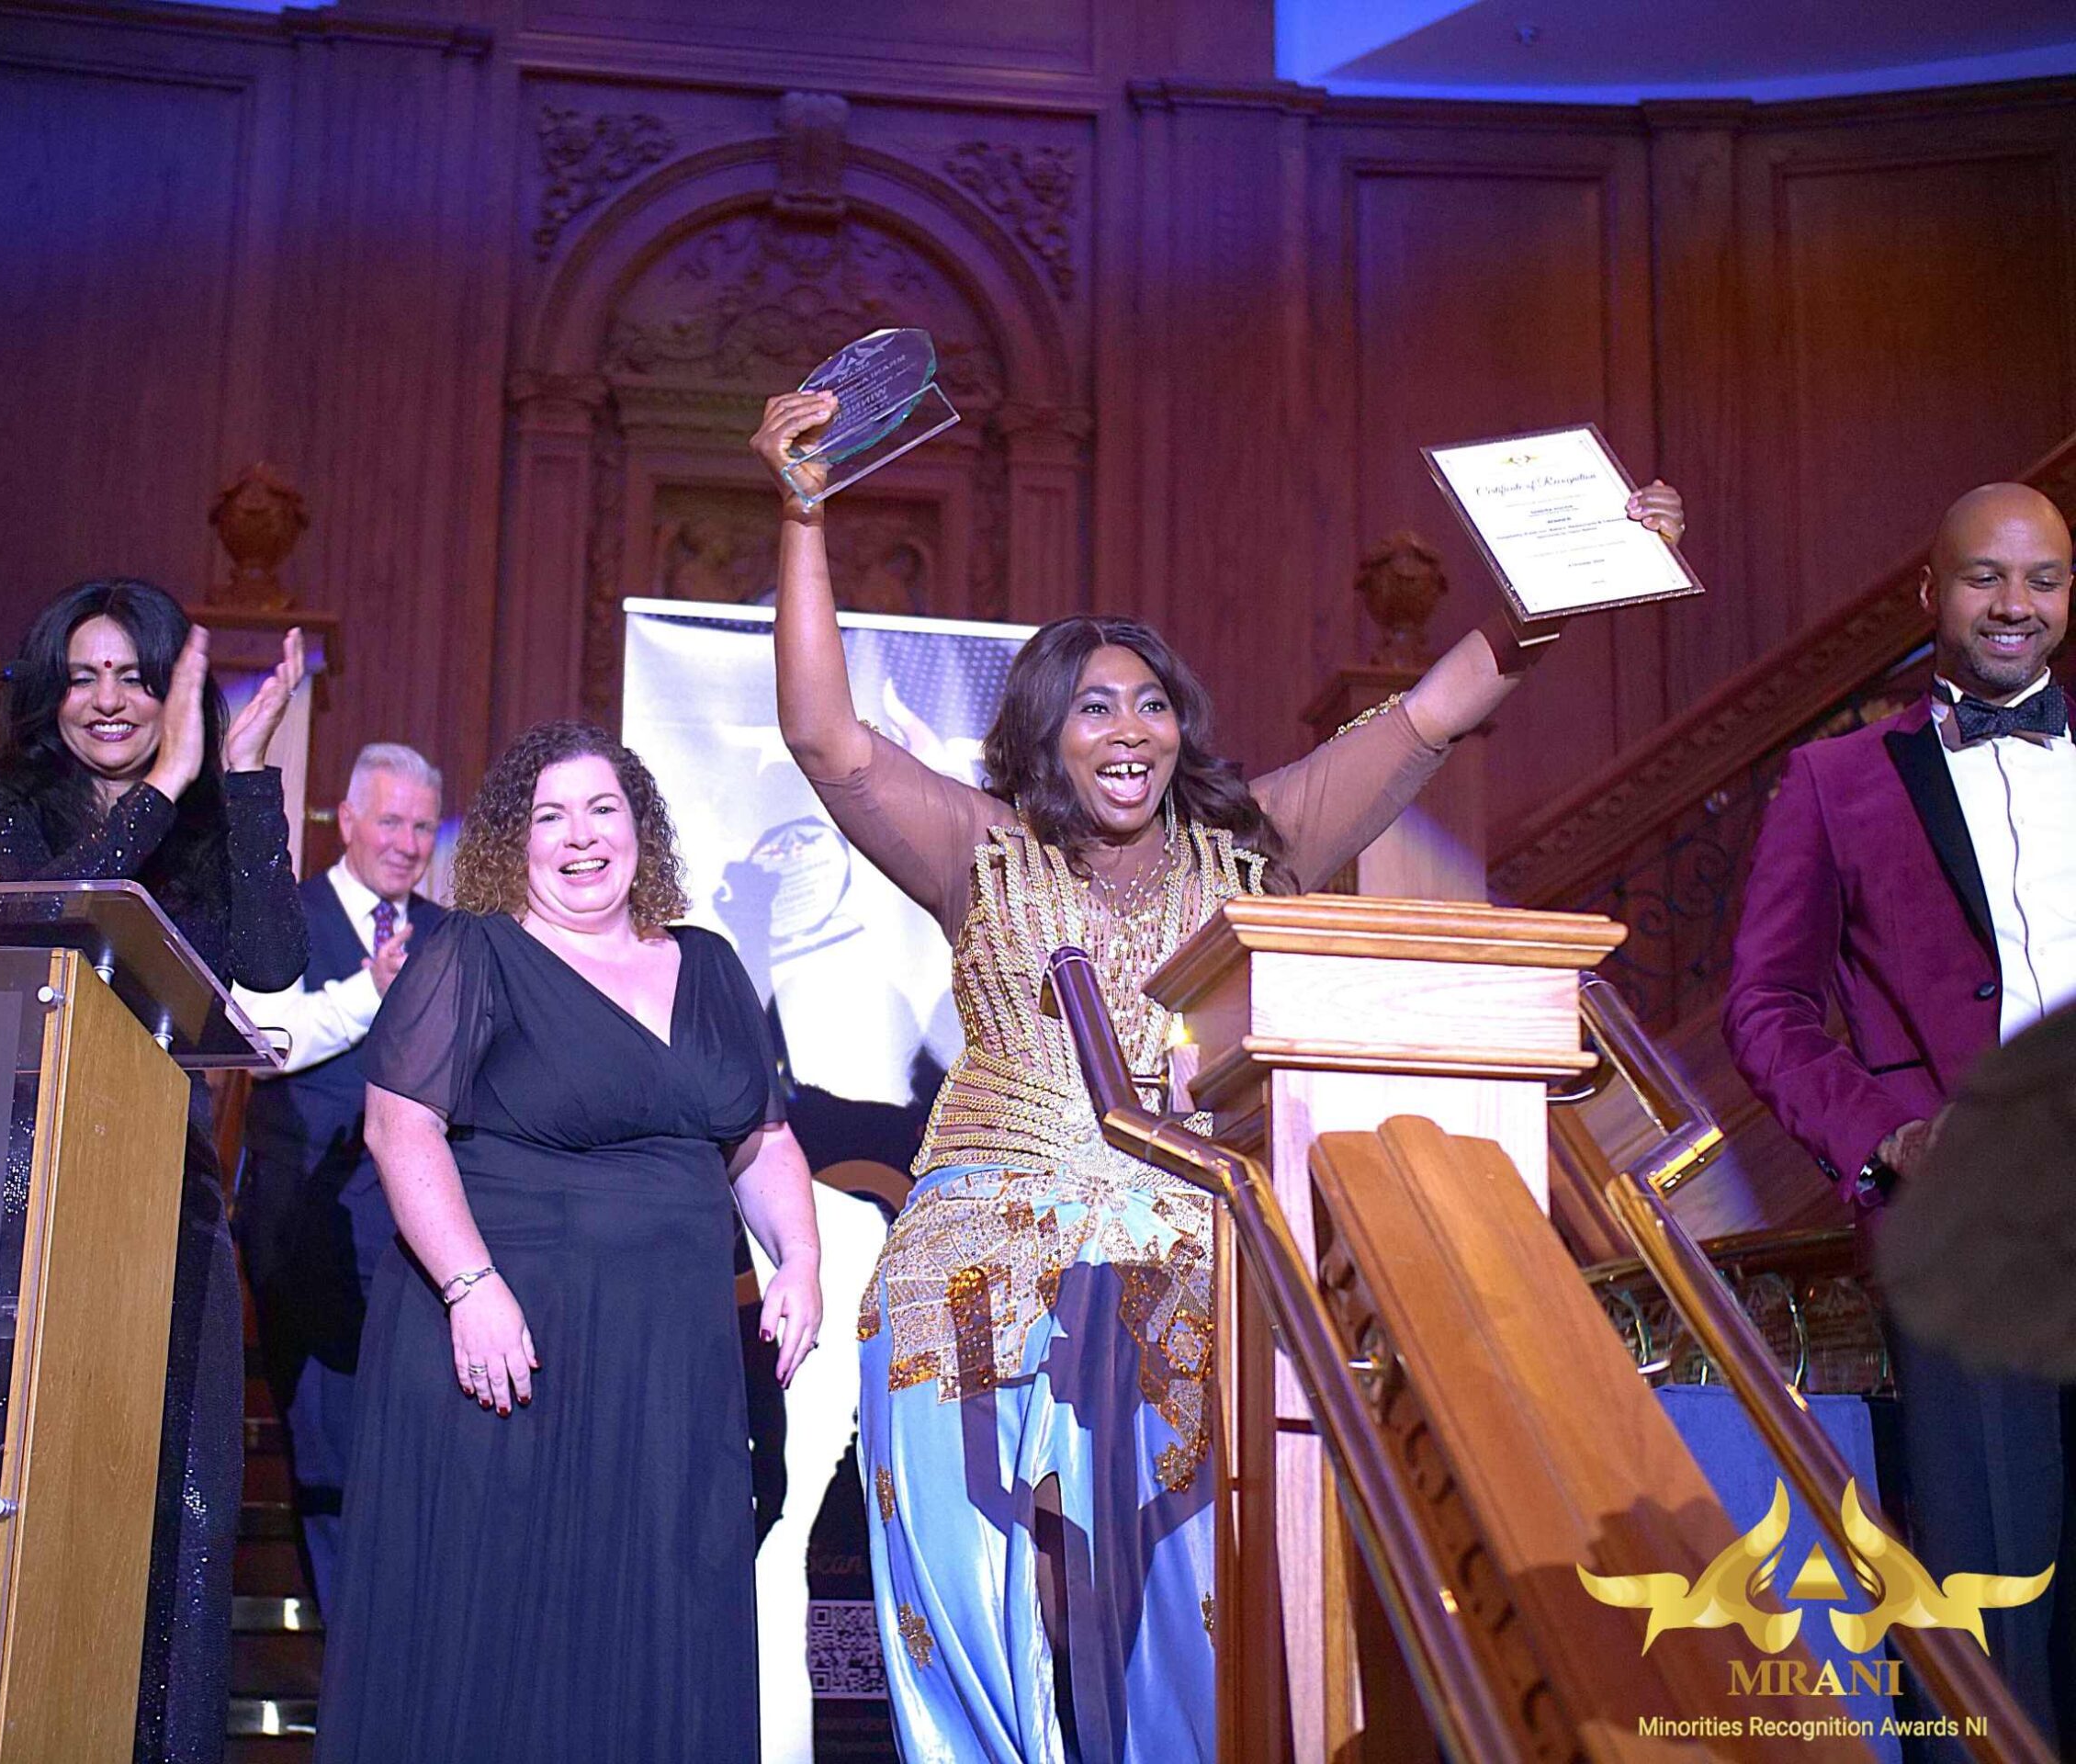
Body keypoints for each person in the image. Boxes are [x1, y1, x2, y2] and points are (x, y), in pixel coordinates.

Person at [749, 392, 1685, 1762]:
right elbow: (827, 737)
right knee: (994, 1588)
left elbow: (1435, 712)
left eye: (1151, 704)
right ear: (1044, 734)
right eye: (1092, 706)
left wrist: (1569, 580)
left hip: (1187, 1266)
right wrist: (803, 512)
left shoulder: (1257, 847)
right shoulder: (978, 848)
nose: (1127, 729)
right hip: (975, 1269)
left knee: (1184, 1604)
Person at [313, 719, 825, 1764]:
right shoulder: (475, 952)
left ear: (642, 829)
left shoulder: (710, 964)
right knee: (499, 1641)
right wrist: (469, 1287)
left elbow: (763, 1138)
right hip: (511, 1345)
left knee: (655, 1623)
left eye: (602, 810)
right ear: (516, 840)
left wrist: (802, 1258)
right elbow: (399, 1127)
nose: (581, 836)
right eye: (551, 816)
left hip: (667, 1365)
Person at [1724, 481, 2075, 1749]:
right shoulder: (1836, 781)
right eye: (1985, 577)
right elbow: (1766, 1004)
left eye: (2042, 579)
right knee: (1990, 1604)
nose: (2014, 604)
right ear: (1931, 594)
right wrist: (1889, 1134)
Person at [0, 576, 308, 1764]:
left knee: (179, 1503)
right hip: (15, 1187)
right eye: (83, 676)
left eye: (136, 677)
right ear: (48, 692)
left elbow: (273, 963)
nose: (108, 700)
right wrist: (163, 783)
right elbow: (36, 918)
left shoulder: (203, 822)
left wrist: (239, 777)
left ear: (172, 692)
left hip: (166, 1194)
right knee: (1, 1488)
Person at [233, 741, 446, 1608]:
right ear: (348, 820)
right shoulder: (287, 915)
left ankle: (403, 1644)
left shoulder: (449, 936)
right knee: (327, 1458)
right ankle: (347, 1655)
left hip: (416, 1243)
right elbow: (262, 1046)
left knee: (412, 1461)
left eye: (423, 827)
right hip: (305, 1237)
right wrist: (370, 988)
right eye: (390, 821)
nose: (406, 843)